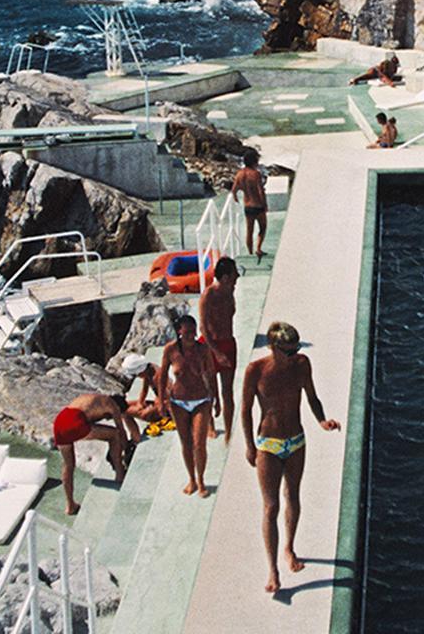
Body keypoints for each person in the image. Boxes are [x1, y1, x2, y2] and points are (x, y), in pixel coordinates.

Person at [241, 320, 341, 596]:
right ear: (273, 347)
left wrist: (322, 421)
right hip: (268, 444)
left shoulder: (301, 364)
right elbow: (246, 410)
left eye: (295, 348)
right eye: (287, 350)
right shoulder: (256, 371)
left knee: (293, 497)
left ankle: (289, 548)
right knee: (270, 507)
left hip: (296, 440)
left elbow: (312, 397)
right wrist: (250, 446)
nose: (293, 354)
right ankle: (272, 569)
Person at [157, 311, 217, 497]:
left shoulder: (203, 349)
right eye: (187, 332)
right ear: (179, 332)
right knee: (186, 443)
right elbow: (162, 376)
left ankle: (201, 480)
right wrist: (161, 400)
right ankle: (191, 478)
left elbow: (211, 374)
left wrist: (217, 400)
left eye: (193, 331)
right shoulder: (171, 350)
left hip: (201, 400)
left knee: (199, 443)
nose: (191, 335)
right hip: (178, 402)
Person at [51, 389, 138, 516]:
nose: (108, 419)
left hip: (59, 422)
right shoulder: (111, 405)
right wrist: (125, 449)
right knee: (114, 435)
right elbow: (121, 431)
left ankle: (70, 506)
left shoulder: (93, 398)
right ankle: (120, 475)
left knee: (68, 465)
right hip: (75, 422)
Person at [199, 254, 239, 443]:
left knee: (227, 391)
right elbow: (203, 328)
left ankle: (229, 431)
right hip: (210, 345)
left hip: (228, 343)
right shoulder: (209, 295)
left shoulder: (230, 291)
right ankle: (211, 426)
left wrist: (224, 352)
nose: (237, 278)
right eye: (234, 275)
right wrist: (216, 352)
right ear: (224, 278)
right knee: (209, 390)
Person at [232, 149, 269, 259]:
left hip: (248, 206)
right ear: (254, 161)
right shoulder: (255, 174)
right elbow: (260, 191)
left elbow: (234, 190)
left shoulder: (239, 174)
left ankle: (250, 253)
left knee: (249, 231)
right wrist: (265, 204)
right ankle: (258, 248)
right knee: (263, 228)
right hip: (258, 206)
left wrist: (236, 199)